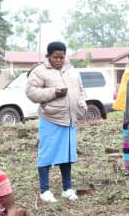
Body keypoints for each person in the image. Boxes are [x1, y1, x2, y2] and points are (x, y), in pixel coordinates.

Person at [25, 41, 86, 203]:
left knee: (67, 155)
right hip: (50, 119)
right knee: (47, 155)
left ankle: (67, 189)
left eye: (61, 57)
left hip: (69, 120)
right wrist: (54, 92)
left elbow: (80, 91)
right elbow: (31, 92)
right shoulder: (40, 71)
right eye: (55, 57)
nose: (58, 60)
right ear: (48, 56)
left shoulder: (72, 71)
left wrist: (81, 104)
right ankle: (45, 190)